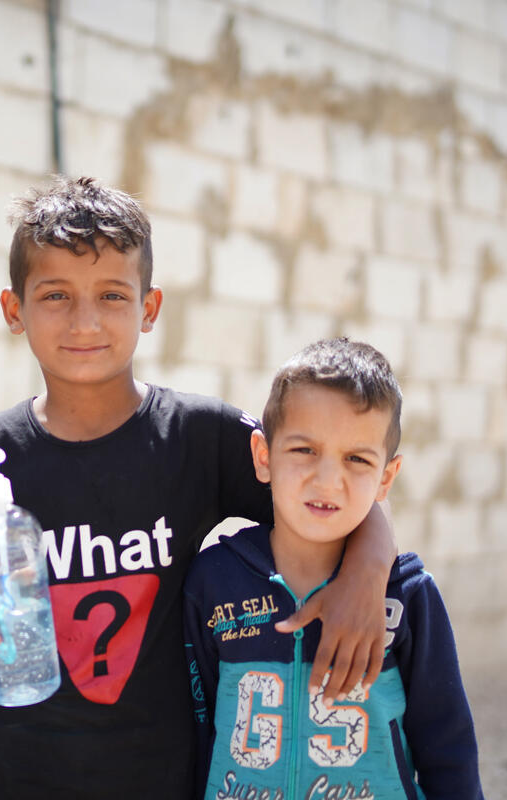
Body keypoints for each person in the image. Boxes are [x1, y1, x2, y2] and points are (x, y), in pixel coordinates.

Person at [0, 177, 397, 799]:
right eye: (56, 294)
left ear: (149, 308)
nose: (85, 320)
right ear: (15, 310)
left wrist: (367, 575)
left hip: (159, 773)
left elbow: (337, 495)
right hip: (15, 772)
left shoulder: (200, 436)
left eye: (112, 295)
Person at [184, 338, 484, 799]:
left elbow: (447, 747)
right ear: (264, 457)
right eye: (304, 450)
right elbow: (193, 734)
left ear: (387, 476)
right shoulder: (213, 582)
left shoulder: (407, 598)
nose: (327, 480)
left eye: (357, 459)